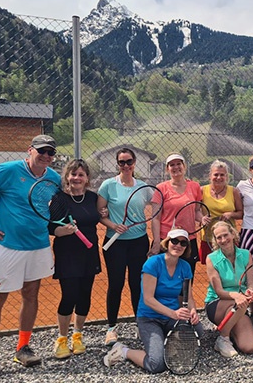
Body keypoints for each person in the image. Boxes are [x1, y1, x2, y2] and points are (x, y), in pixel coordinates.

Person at [0, 134, 60, 382]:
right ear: (30, 150)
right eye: (42, 151)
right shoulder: (8, 170)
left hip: (38, 246)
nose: (46, 156)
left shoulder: (53, 178)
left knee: (31, 294)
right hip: (7, 247)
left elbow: (59, 205)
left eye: (51, 153)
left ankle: (23, 348)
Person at [103, 228, 203, 372]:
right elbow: (148, 299)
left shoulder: (185, 267)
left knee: (198, 330)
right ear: (167, 243)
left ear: (186, 247)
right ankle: (124, 351)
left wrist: (192, 311)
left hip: (171, 317)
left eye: (183, 243)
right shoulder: (153, 263)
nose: (178, 246)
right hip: (150, 318)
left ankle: (166, 342)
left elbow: (188, 296)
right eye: (174, 241)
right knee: (156, 365)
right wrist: (173, 314)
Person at [98, 148, 156, 346]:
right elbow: (99, 212)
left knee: (136, 285)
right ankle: (112, 328)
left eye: (129, 161)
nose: (125, 165)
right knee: (115, 285)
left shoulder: (143, 187)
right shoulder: (108, 185)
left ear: (134, 162)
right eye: (121, 162)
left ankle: (140, 325)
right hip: (114, 243)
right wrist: (113, 225)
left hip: (139, 242)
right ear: (117, 164)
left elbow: (157, 205)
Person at [50, 159, 102, 359]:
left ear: (87, 178)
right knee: (69, 295)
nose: (77, 178)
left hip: (89, 254)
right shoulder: (59, 199)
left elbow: (98, 215)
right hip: (67, 254)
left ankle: (77, 335)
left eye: (81, 174)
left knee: (84, 295)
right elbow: (51, 228)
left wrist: (103, 212)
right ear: (67, 177)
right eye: (73, 174)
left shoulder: (92, 198)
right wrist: (63, 230)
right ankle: (62, 338)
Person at [205, 221, 253, 357]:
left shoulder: (246, 254)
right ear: (215, 240)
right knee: (240, 302)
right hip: (217, 303)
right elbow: (219, 291)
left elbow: (251, 283)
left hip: (240, 304)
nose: (223, 240)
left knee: (249, 347)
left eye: (226, 235)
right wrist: (237, 295)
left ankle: (230, 330)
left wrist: (250, 291)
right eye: (219, 237)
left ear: (233, 234)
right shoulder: (211, 258)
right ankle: (223, 338)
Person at [151, 153, 202, 276]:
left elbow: (196, 211)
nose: (176, 167)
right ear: (167, 169)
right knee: (164, 279)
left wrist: (203, 219)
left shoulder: (195, 186)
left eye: (178, 164)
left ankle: (184, 297)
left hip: (188, 240)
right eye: (172, 165)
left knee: (186, 280)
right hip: (167, 240)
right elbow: (155, 218)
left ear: (184, 166)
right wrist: (157, 243)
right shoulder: (161, 188)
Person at [200, 160, 243, 265]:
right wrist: (202, 218)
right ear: (210, 176)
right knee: (212, 267)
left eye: (222, 175)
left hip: (228, 237)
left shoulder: (233, 191)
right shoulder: (202, 191)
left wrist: (231, 214)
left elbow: (241, 213)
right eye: (216, 174)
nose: (219, 177)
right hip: (209, 237)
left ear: (227, 177)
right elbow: (196, 210)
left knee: (231, 265)